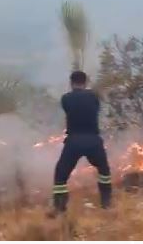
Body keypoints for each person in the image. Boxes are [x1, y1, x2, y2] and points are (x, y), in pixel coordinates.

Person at [48, 71, 112, 218]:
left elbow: (68, 108)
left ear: (71, 83)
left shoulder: (66, 99)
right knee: (104, 171)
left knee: (60, 175)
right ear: (86, 82)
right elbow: (96, 105)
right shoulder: (94, 97)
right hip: (93, 140)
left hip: (74, 141)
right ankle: (106, 203)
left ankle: (59, 208)